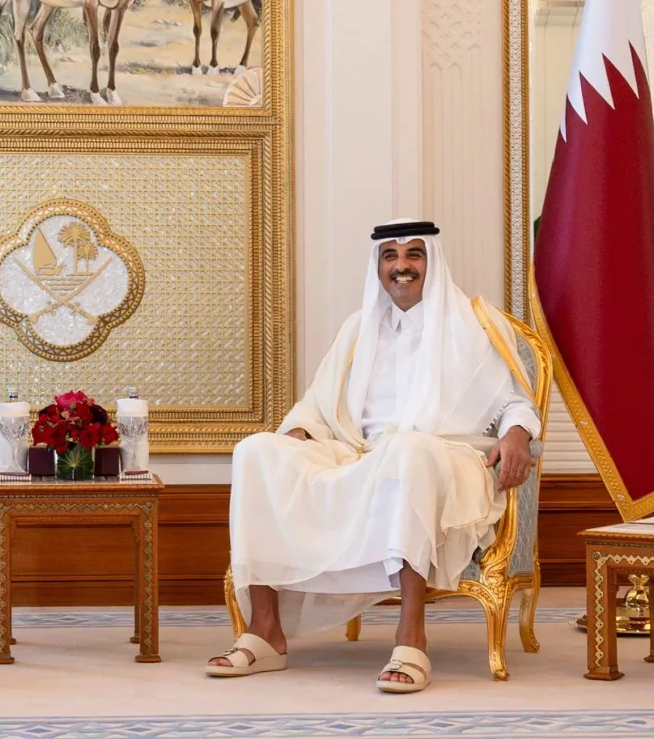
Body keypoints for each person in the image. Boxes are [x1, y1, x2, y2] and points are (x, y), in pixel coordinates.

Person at [208, 220, 537, 693]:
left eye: (414, 255)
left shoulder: (474, 324)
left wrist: (519, 434)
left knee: (408, 449)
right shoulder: (358, 328)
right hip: (357, 453)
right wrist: (299, 429)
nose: (401, 267)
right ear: (379, 266)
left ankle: (411, 639)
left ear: (432, 262)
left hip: (445, 455)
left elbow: (514, 399)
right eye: (391, 257)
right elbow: (319, 402)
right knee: (257, 450)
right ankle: (264, 631)